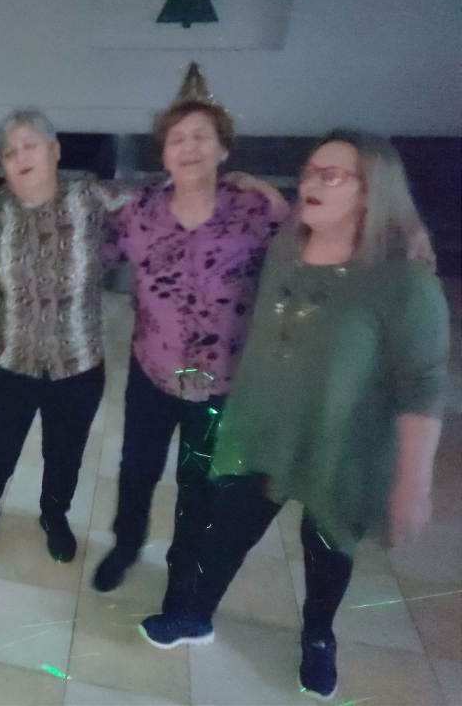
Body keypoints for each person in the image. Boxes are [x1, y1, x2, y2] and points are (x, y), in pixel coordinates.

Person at [138, 131, 449, 703]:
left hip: (341, 445)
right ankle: (195, 614)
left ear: (372, 191)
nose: (311, 183)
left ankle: (318, 638)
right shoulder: (286, 244)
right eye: (309, 171)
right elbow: (273, 215)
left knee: (326, 547)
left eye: (332, 176)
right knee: (226, 530)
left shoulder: (403, 281)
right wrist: (256, 187)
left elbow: (424, 383)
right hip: (263, 428)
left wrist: (415, 482)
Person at [0, 104, 280, 565]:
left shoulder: (91, 196)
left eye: (31, 145)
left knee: (65, 455)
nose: (20, 156)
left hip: (78, 363)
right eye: (9, 152)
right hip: (10, 360)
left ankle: (54, 515)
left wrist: (252, 184)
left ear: (54, 150)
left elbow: (166, 192)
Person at [92, 64, 288, 595]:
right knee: (137, 468)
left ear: (223, 149)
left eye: (201, 136)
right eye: (177, 139)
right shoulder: (140, 213)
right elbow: (91, 252)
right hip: (152, 372)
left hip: (220, 383)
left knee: (197, 479)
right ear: (163, 154)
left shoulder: (255, 211)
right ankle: (127, 544)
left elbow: (314, 248)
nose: (189, 147)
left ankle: (184, 562)